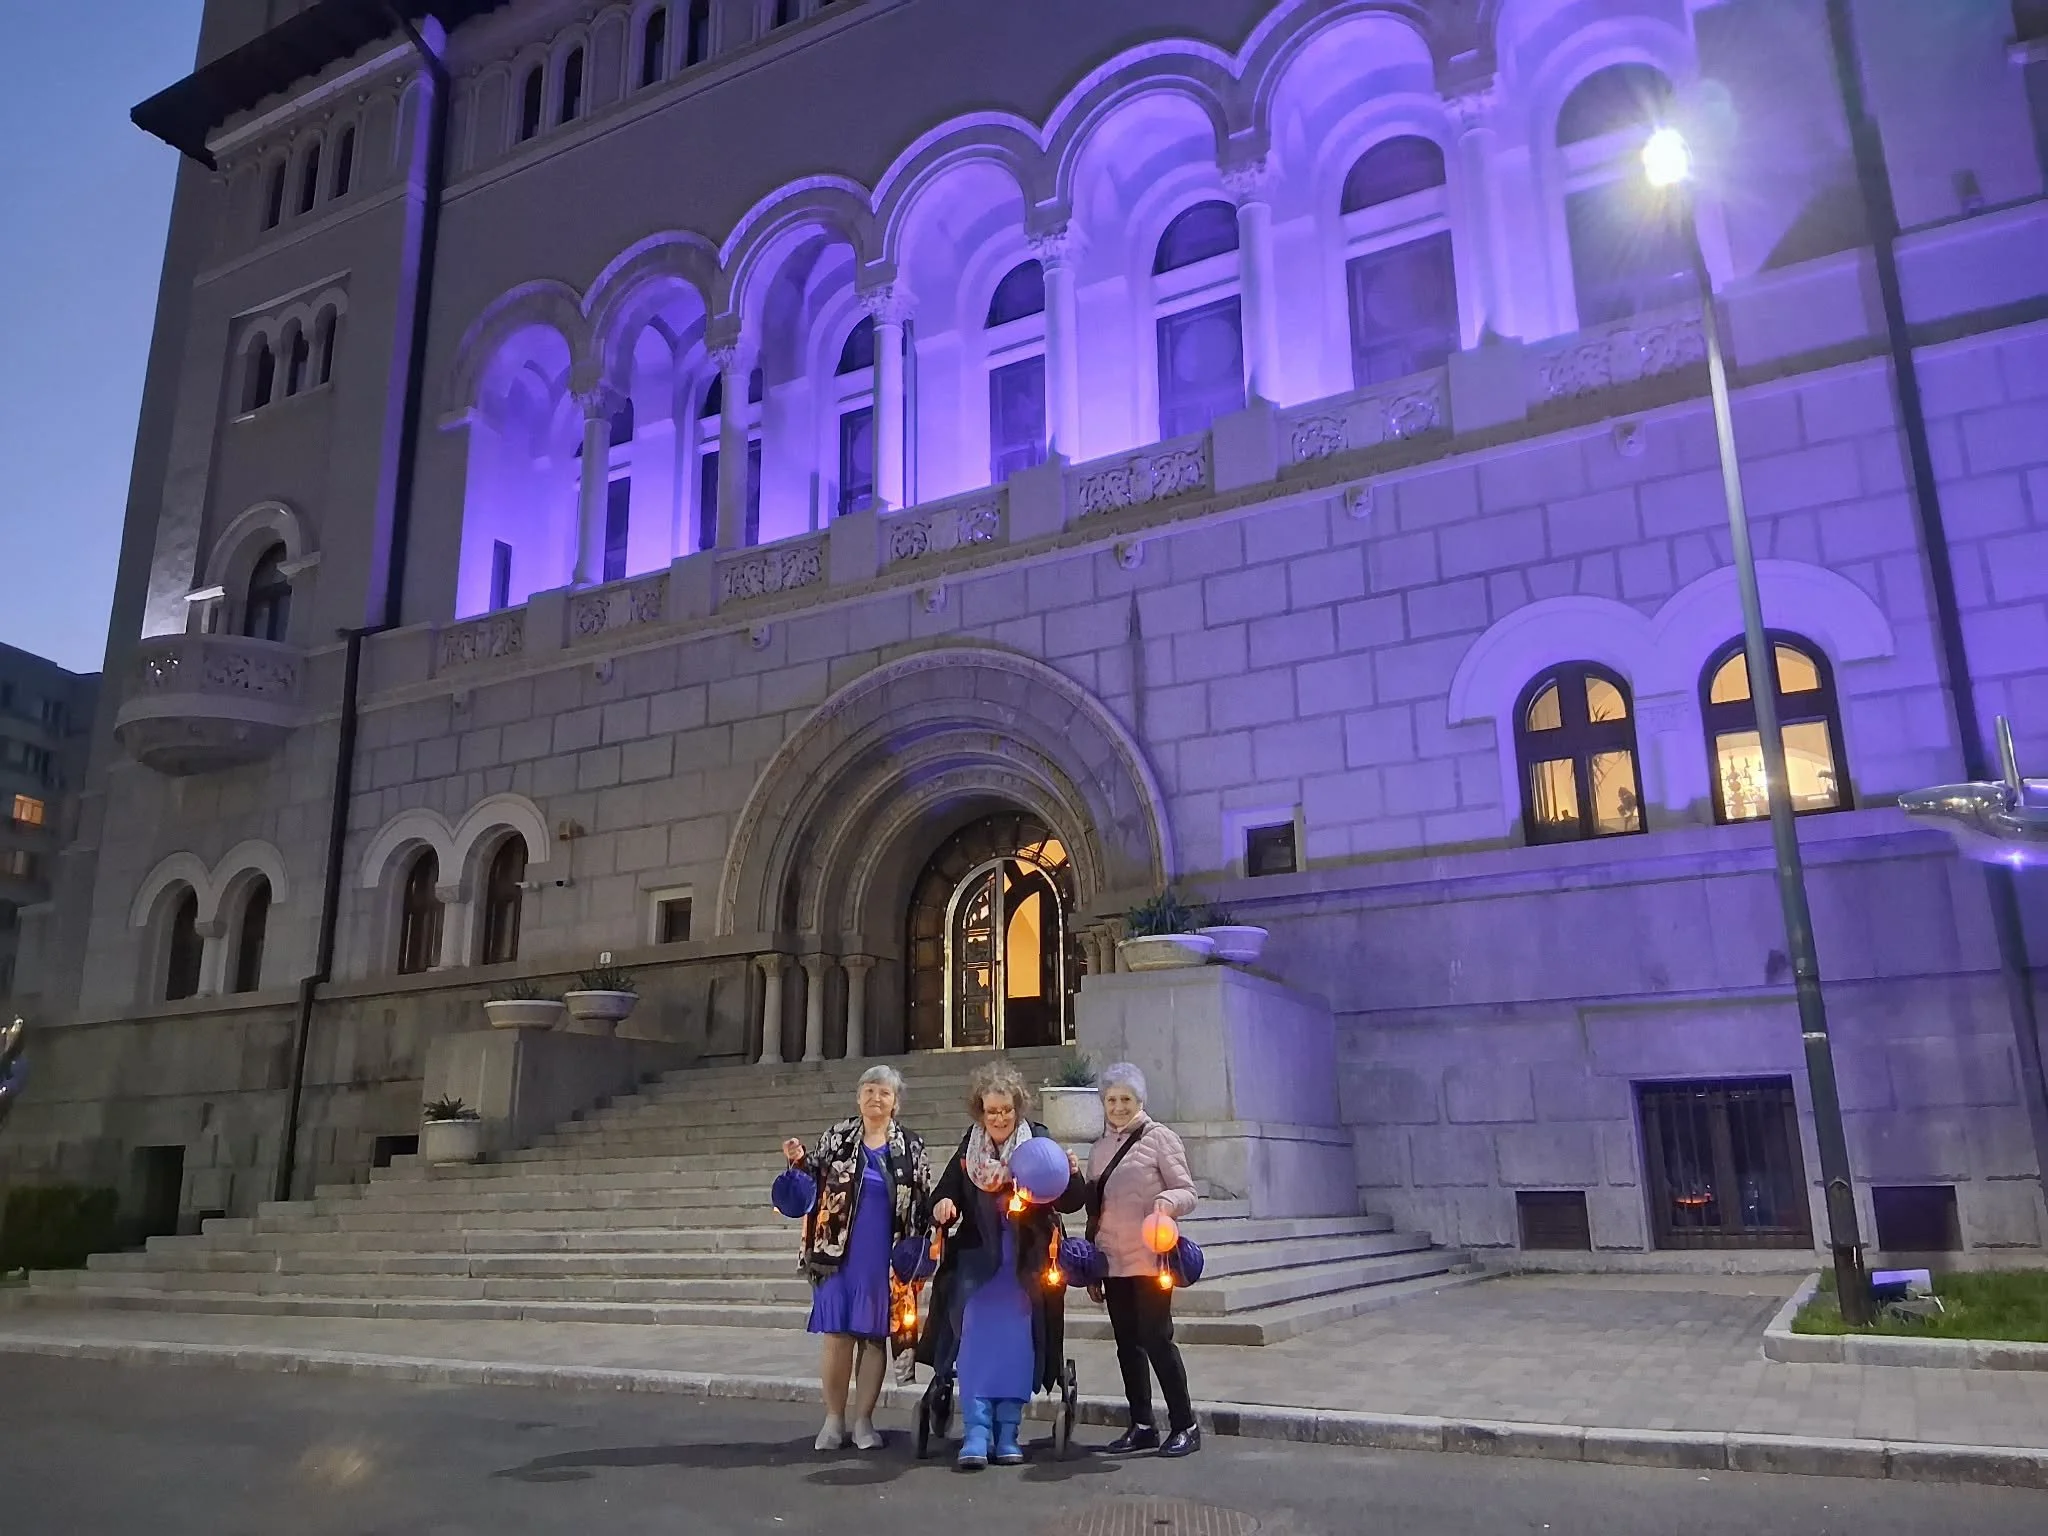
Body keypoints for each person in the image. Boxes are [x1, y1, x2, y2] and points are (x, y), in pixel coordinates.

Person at [922, 1061, 1083, 1471]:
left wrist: (1073, 1174)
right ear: (980, 1111)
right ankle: (977, 1433)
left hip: (1025, 1265)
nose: (999, 1118)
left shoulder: (1038, 1143)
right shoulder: (969, 1150)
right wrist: (942, 1204)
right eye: (992, 1111)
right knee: (973, 1344)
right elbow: (943, 1194)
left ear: (1018, 1108)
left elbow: (1070, 1200)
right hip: (978, 1265)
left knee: (1016, 1347)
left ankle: (1008, 1431)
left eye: (1006, 1110)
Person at [781, 1063, 933, 1452]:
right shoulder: (838, 1137)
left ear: (895, 1102)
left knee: (874, 1338)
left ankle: (864, 1420)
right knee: (837, 1335)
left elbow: (921, 1203)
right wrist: (797, 1161)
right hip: (835, 1253)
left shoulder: (910, 1147)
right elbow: (811, 1178)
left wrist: (918, 1255)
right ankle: (833, 1419)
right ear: (858, 1097)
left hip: (883, 1257)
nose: (875, 1098)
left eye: (883, 1092)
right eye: (868, 1090)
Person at [1083, 1061, 1200, 1458]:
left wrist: (1166, 1203)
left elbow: (1187, 1191)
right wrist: (1093, 1260)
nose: (1117, 1106)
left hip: (1150, 1260)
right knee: (1126, 1345)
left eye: (1125, 1099)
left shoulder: (1160, 1139)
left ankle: (1185, 1424)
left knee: (1156, 1340)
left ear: (1140, 1100)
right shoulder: (1099, 1149)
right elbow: (1096, 1209)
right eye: (1111, 1099)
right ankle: (1142, 1424)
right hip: (1113, 1260)